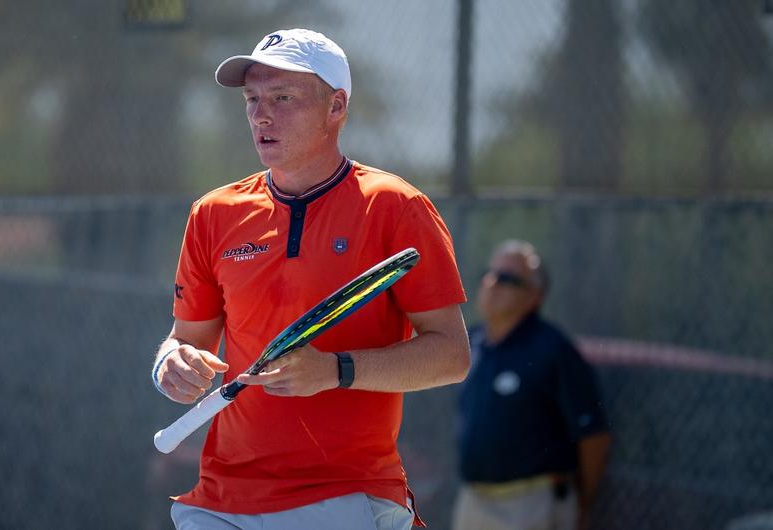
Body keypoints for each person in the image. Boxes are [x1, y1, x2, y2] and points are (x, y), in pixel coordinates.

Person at [151, 28, 472, 530]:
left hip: (346, 496)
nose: (261, 114)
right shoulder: (212, 213)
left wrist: (335, 370)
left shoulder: (395, 207)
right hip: (219, 502)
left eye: (283, 98)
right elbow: (184, 339)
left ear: (336, 106)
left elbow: (452, 356)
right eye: (253, 99)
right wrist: (171, 363)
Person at [452, 240, 612, 530]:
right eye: (490, 273)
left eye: (507, 278)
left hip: (531, 505)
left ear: (534, 296)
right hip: (473, 500)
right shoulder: (471, 342)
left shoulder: (553, 349)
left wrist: (583, 502)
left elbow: (594, 436)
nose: (492, 283)